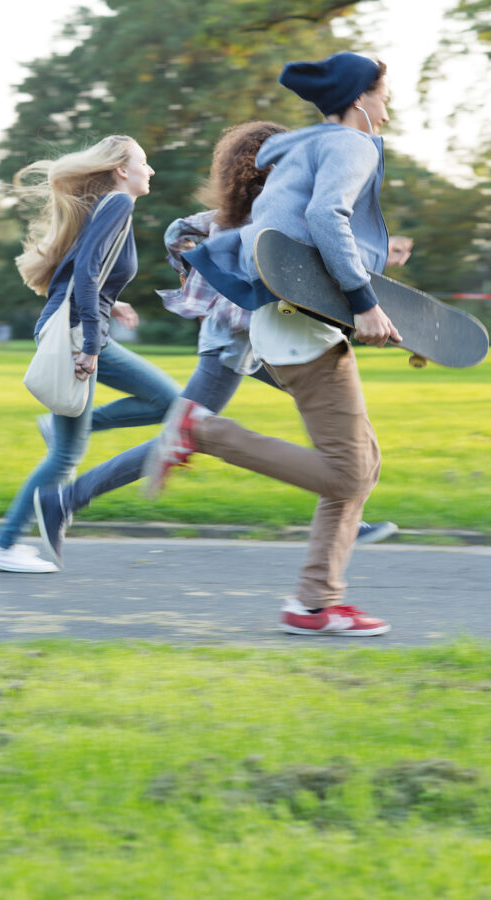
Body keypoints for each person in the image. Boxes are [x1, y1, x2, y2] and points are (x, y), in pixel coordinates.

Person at [33, 121, 402, 569]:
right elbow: (181, 232)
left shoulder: (267, 211)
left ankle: (346, 509)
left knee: (337, 420)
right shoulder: (256, 216)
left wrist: (376, 257)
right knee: (181, 435)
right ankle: (66, 498)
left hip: (267, 345)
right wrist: (200, 268)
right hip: (233, 348)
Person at [144, 53, 402, 636]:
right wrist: (364, 303)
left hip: (284, 316)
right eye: (384, 95)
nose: (387, 108)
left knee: (362, 465)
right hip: (299, 322)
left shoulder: (304, 147)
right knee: (347, 474)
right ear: (360, 98)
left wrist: (368, 303)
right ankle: (200, 431)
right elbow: (326, 217)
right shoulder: (350, 145)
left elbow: (299, 229)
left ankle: (316, 603)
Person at [0, 135, 180, 573]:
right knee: (172, 403)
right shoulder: (117, 204)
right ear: (122, 170)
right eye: (143, 163)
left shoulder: (107, 206)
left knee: (68, 452)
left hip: (74, 326)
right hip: (79, 335)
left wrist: (114, 300)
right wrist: (90, 345)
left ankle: (5, 542)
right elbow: (85, 274)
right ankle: (3, 545)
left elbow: (81, 275)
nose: (150, 171)